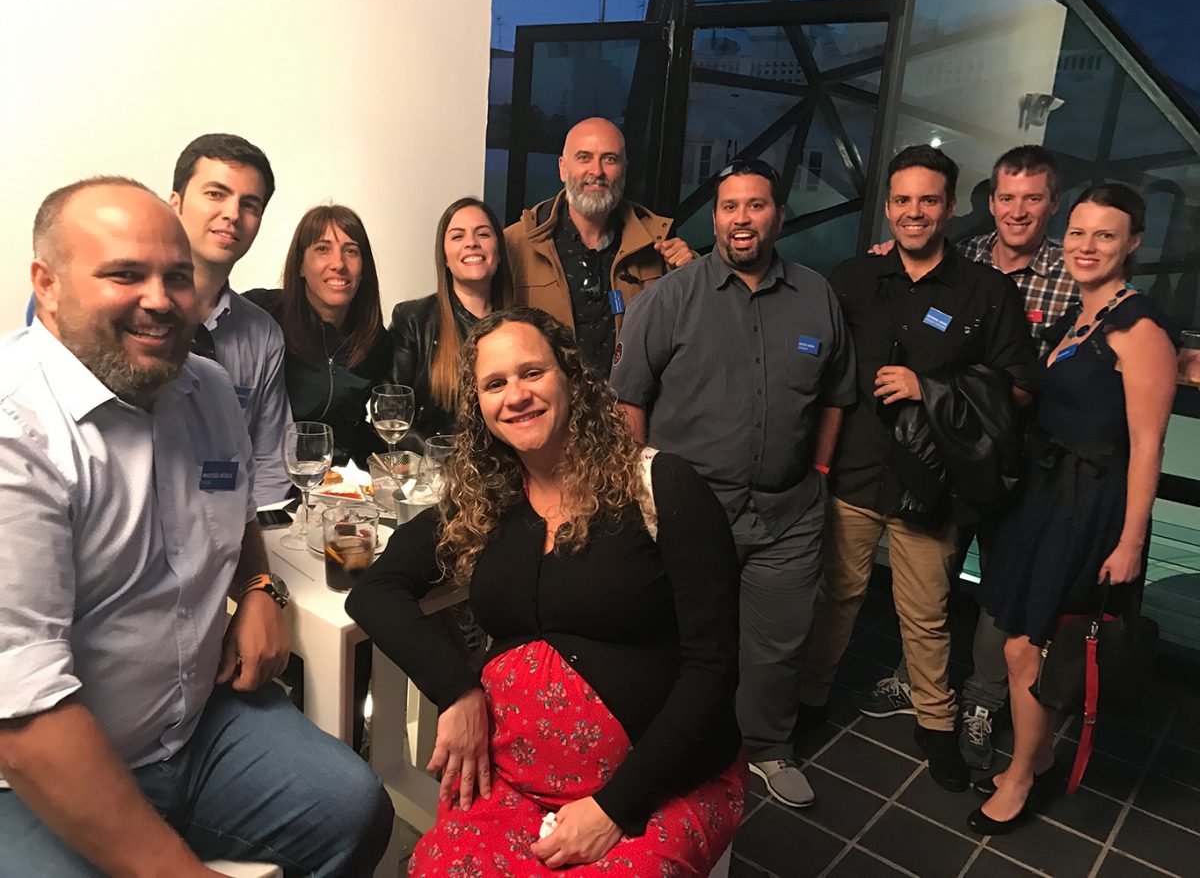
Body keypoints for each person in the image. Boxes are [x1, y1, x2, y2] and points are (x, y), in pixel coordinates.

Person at [0, 178, 393, 877]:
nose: (159, 300)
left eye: (176, 278)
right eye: (124, 274)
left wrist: (260, 587)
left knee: (357, 809)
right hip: (33, 774)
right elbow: (24, 711)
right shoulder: (17, 432)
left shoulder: (208, 388)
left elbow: (235, 508)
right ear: (47, 285)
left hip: (194, 726)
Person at [347, 308, 745, 875]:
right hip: (511, 784)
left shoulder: (661, 487)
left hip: (657, 787)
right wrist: (456, 690)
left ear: (571, 378)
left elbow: (714, 670)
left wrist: (614, 807)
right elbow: (375, 590)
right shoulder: (487, 500)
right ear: (479, 407)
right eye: (495, 384)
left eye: (532, 372)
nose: (516, 396)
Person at [610, 159, 857, 809]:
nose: (741, 219)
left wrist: (820, 473)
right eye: (729, 206)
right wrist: (638, 495)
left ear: (779, 215)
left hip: (789, 512)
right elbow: (629, 402)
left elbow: (837, 396)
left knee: (778, 643)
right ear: (715, 217)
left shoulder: (816, 296)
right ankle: (665, 747)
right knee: (681, 638)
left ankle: (767, 748)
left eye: (755, 205)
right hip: (691, 513)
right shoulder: (669, 299)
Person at [796, 145, 1036, 794]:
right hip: (854, 473)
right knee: (835, 600)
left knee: (926, 616)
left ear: (951, 208)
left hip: (930, 486)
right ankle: (810, 702)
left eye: (928, 200)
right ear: (888, 207)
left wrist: (929, 388)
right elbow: (818, 364)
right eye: (902, 199)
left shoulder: (986, 291)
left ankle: (936, 725)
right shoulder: (854, 278)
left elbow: (1018, 388)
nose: (914, 211)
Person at [860, 145, 1078, 770]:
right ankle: (916, 679)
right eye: (1007, 197)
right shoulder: (966, 258)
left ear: (1053, 203)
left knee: (1002, 588)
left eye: (1032, 198)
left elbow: (1102, 339)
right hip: (953, 457)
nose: (1017, 210)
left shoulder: (1074, 272)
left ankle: (981, 701)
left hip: (1027, 458)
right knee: (934, 573)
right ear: (987, 202)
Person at [969, 184, 1177, 834]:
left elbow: (1148, 446)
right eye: (1079, 233)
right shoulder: (1080, 315)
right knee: (1023, 641)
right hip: (1044, 495)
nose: (1086, 246)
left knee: (1027, 646)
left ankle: (1023, 774)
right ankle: (1039, 753)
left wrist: (1131, 541)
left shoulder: (1139, 327)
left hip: (1088, 504)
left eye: (1105, 235)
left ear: (1133, 243)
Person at [505, 117, 695, 375]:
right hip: (549, 399)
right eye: (584, 158)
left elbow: (693, 332)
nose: (597, 171)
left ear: (624, 169)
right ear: (563, 168)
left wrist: (690, 271)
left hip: (630, 398)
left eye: (609, 159)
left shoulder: (658, 245)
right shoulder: (515, 244)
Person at [169, 133, 295, 504]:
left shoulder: (263, 335)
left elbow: (270, 461)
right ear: (175, 204)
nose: (232, 214)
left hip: (235, 526)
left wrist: (250, 532)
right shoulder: (129, 315)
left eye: (250, 204)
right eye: (216, 193)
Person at [247, 204, 392, 465]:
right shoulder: (262, 314)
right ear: (301, 265)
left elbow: (354, 429)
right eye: (323, 249)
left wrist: (398, 464)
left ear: (364, 269)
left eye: (351, 251)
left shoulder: (373, 340)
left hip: (330, 482)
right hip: (264, 478)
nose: (339, 264)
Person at [389, 197, 511, 447]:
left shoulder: (521, 328)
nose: (472, 243)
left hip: (503, 467)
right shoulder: (413, 321)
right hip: (430, 467)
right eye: (457, 236)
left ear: (498, 253)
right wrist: (441, 459)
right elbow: (392, 414)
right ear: (444, 257)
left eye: (483, 234)